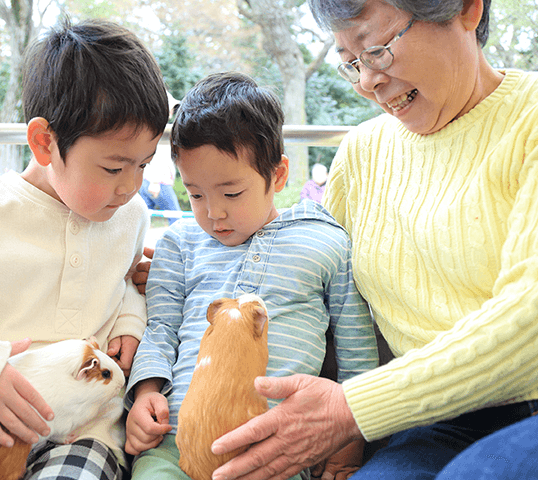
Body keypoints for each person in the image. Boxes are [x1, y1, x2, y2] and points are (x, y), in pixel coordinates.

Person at [206, 1, 538, 480]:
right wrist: (192, 263)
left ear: (466, 10)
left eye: (378, 50)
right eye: (352, 62)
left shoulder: (527, 119)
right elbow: (302, 264)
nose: (367, 81)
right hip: (425, 421)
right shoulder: (363, 152)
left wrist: (351, 407)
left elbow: (529, 324)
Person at [0, 18, 170, 479]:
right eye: (112, 167)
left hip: (85, 434)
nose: (132, 186)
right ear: (45, 142)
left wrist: (129, 317)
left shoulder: (131, 215)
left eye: (144, 163)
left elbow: (121, 280)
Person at [124, 72, 379, 480]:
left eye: (231, 193)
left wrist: (348, 441)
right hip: (174, 439)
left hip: (278, 445)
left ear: (278, 176)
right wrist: (145, 393)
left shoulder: (326, 241)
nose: (213, 213)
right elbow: (160, 329)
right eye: (195, 194)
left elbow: (356, 346)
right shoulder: (180, 242)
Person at [139, 92, 183, 226]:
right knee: (176, 218)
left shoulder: (151, 128)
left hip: (147, 180)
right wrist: (155, 182)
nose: (171, 113)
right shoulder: (160, 131)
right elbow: (157, 158)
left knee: (142, 218)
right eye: (170, 108)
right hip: (158, 182)